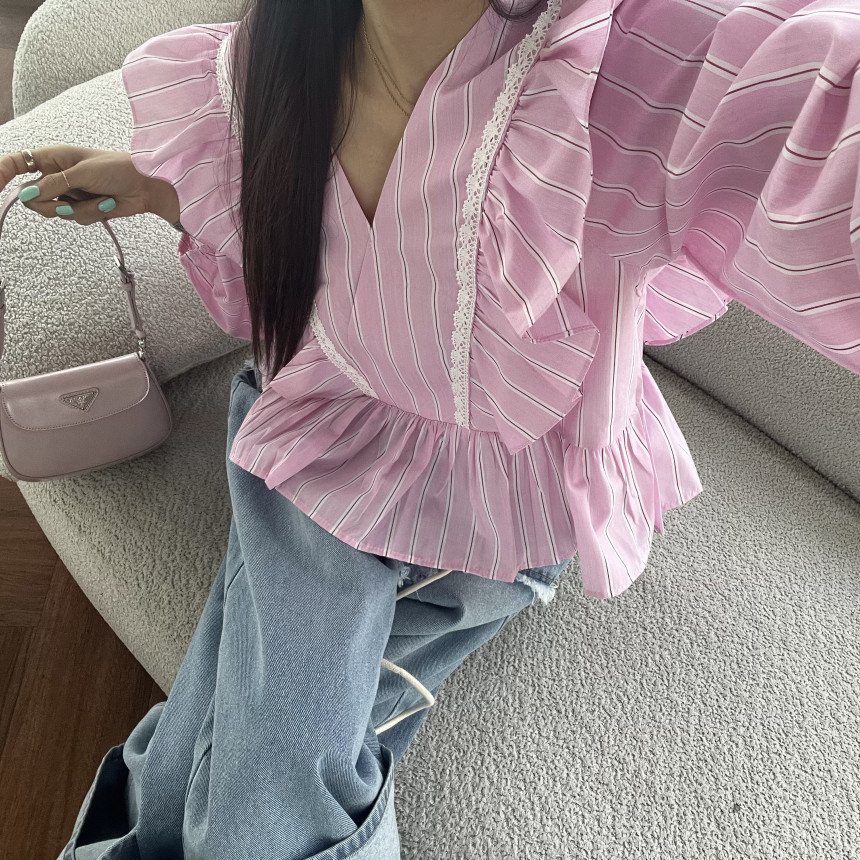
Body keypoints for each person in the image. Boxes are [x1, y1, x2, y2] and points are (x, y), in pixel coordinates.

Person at [1, 0, 858, 857]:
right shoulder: (283, 45)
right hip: (311, 433)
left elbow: (810, 108)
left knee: (257, 804)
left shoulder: (629, 57)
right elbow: (282, 218)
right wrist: (151, 184)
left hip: (482, 510)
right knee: (212, 773)